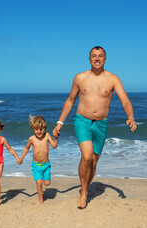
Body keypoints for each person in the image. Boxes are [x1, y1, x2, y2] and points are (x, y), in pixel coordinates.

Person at [53, 46, 137, 209]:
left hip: (101, 123)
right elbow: (70, 100)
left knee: (94, 161)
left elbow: (125, 101)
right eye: (93, 56)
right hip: (82, 121)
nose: (97, 58)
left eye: (100, 56)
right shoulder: (80, 77)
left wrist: (131, 117)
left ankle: (85, 187)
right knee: (86, 156)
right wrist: (60, 123)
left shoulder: (113, 79)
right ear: (89, 59)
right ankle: (84, 192)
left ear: (105, 59)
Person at [18, 115, 58, 203]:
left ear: (45, 128)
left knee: (47, 183)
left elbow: (54, 146)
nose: (39, 131)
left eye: (41, 129)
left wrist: (56, 138)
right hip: (36, 165)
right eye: (36, 129)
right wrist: (21, 157)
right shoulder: (31, 139)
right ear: (33, 129)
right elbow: (26, 148)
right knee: (39, 183)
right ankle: (41, 199)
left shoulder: (47, 136)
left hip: (46, 165)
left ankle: (45, 181)